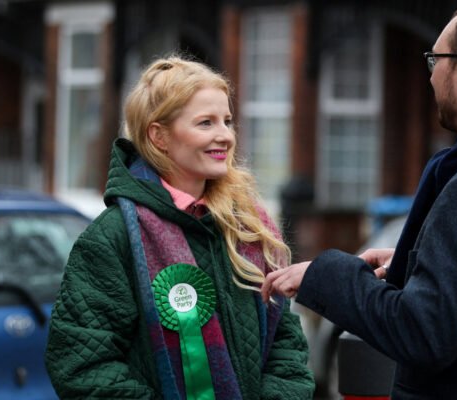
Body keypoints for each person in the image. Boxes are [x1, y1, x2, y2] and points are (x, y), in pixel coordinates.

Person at [45, 55, 314, 399]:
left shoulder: (249, 226)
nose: (225, 136)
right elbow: (82, 366)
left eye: (227, 121)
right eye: (205, 123)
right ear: (159, 136)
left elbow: (287, 345)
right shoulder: (112, 238)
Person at [261, 1, 457, 399]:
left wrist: (326, 276)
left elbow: (424, 332)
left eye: (435, 60)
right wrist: (418, 261)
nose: (431, 76)